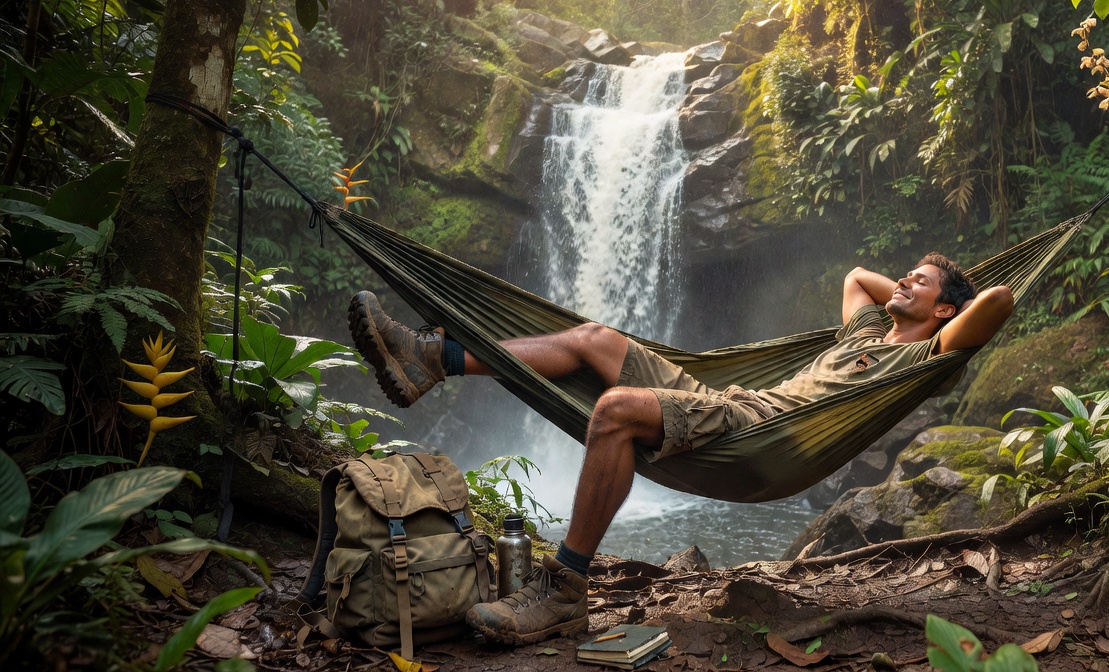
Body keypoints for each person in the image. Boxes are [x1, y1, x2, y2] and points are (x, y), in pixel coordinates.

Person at [347, 253, 1014, 645]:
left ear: (945, 313)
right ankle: (431, 359)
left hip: (767, 433)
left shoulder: (928, 358)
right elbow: (857, 278)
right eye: (905, 275)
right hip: (730, 403)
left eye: (918, 283)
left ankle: (563, 590)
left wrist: (945, 303)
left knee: (614, 412)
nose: (901, 283)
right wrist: (915, 288)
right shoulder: (863, 332)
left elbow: (1000, 297)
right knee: (593, 339)